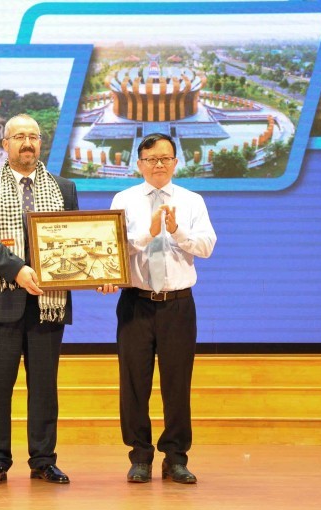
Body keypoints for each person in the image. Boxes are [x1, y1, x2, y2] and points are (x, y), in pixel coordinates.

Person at [0, 114, 78, 486]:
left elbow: (75, 239)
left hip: (49, 301)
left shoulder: (64, 187)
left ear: (40, 143)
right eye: (19, 137)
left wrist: (97, 273)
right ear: (5, 144)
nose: (27, 143)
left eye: (33, 137)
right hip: (0, 300)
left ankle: (43, 460)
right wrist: (17, 269)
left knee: (44, 386)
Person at [102, 133, 216, 484]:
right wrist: (147, 235)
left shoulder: (192, 200)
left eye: (165, 159)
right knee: (134, 382)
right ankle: (140, 456)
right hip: (136, 303)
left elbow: (207, 246)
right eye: (151, 159)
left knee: (177, 384)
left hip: (178, 306)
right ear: (139, 164)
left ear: (175, 162)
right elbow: (113, 249)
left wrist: (177, 231)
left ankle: (176, 457)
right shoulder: (124, 199)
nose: (159, 165)